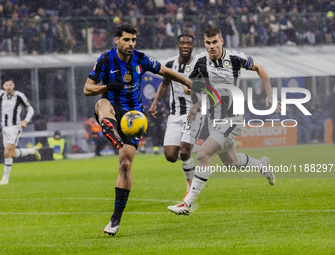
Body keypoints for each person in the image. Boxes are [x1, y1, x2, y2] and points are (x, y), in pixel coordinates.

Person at [83, 24, 191, 236]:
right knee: (102, 104)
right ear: (117, 40)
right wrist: (106, 87)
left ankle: (115, 220)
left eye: (133, 40)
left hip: (133, 118)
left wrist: (187, 81)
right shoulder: (106, 60)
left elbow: (165, 71)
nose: (131, 43)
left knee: (125, 166)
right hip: (112, 109)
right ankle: (111, 131)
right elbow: (88, 88)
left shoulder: (141, 58)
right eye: (126, 39)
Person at [167, 25, 277, 215]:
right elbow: (189, 86)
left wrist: (269, 95)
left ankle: (187, 204)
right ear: (205, 43)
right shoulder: (200, 61)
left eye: (215, 42)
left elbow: (261, 67)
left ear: (221, 41)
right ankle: (262, 165)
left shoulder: (235, 58)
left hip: (232, 117)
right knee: (232, 162)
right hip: (214, 121)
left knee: (202, 155)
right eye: (208, 43)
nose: (211, 46)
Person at [149, 34, 201, 203]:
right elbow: (164, 83)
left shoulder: (199, 65)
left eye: (189, 43)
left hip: (193, 113)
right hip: (174, 114)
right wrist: (155, 102)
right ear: (178, 45)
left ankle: (190, 189)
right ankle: (196, 152)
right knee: (171, 156)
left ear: (193, 46)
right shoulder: (170, 63)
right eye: (182, 43)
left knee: (184, 151)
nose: (185, 45)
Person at [0, 78, 41, 185]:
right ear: (3, 86)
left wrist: (26, 121)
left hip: (15, 128)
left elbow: (30, 109)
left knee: (6, 152)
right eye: (6, 85)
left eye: (10, 85)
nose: (8, 87)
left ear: (13, 85)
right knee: (12, 153)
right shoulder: (1, 95)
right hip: (4, 128)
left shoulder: (19, 96)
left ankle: (5, 179)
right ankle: (32, 151)